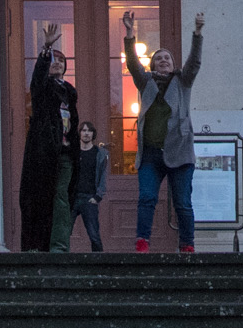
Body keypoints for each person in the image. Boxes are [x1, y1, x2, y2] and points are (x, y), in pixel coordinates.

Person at [125, 24, 207, 253]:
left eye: (167, 58)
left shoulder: (183, 81)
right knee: (147, 198)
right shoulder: (146, 82)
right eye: (158, 58)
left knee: (182, 203)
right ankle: (142, 242)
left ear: (173, 64)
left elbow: (194, 63)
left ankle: (187, 244)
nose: (163, 60)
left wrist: (197, 35)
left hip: (180, 153)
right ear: (152, 65)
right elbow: (132, 64)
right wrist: (130, 36)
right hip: (151, 154)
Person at [19, 37, 80, 254]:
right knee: (40, 198)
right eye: (53, 60)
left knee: (62, 198)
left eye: (61, 61)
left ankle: (59, 246)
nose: (57, 63)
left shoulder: (70, 93)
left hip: (64, 153)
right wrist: (45, 51)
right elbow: (37, 79)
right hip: (42, 154)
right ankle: (36, 245)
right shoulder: (42, 88)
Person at [64, 73, 113, 253]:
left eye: (89, 131)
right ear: (80, 134)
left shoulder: (100, 154)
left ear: (93, 134)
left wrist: (98, 196)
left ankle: (99, 264)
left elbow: (103, 177)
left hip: (89, 198)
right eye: (83, 131)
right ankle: (62, 263)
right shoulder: (73, 152)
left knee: (94, 234)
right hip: (72, 198)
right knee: (64, 233)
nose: (85, 133)